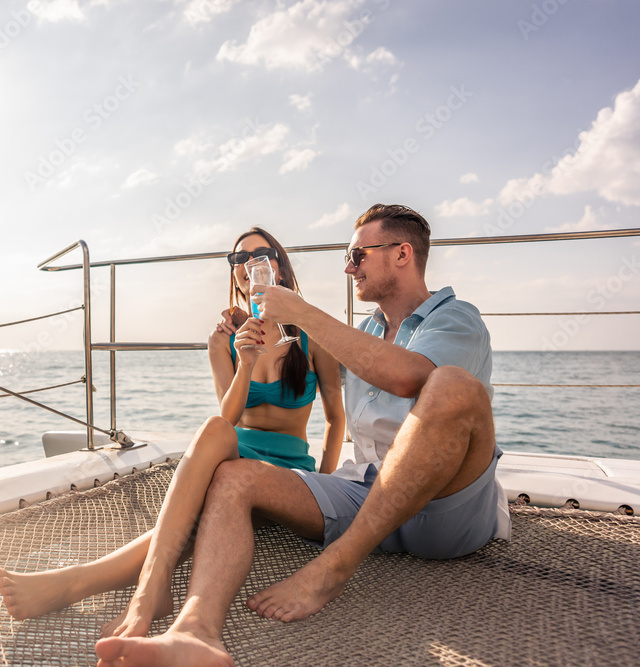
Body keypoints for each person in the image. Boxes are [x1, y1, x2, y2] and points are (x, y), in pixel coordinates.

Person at [93, 204, 511, 667]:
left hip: (446, 512)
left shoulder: (456, 319)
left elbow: (411, 378)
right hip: (369, 491)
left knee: (452, 385)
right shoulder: (367, 331)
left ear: (401, 254)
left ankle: (333, 569)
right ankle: (195, 630)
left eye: (358, 255)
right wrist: (249, 340)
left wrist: (303, 314)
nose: (348, 266)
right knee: (234, 478)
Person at [0, 227, 345, 640]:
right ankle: (141, 587)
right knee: (213, 430)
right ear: (235, 276)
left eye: (260, 254)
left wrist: (324, 483)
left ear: (279, 268)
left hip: (286, 468)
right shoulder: (224, 341)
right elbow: (228, 419)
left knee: (192, 516)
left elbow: (336, 419)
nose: (249, 264)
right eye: (238, 260)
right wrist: (246, 362)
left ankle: (87, 582)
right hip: (234, 453)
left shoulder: (311, 334)